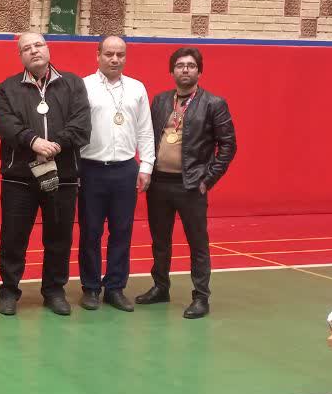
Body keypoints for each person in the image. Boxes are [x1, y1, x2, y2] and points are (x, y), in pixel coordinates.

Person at [0, 32, 90, 316]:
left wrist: (55, 145)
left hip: (63, 175)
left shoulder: (73, 84)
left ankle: (54, 291)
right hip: (19, 178)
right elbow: (6, 125)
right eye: (26, 48)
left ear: (48, 49)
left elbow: (81, 123)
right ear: (20, 56)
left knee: (59, 238)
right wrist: (33, 141)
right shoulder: (6, 88)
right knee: (13, 238)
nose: (33, 51)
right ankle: (9, 292)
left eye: (38, 45)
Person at [136, 46, 237, 319]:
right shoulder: (160, 101)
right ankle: (160, 287)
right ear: (172, 71)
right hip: (159, 184)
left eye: (191, 66)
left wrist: (208, 179)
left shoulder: (213, 103)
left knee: (197, 243)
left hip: (191, 185)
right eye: (180, 65)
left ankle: (201, 297)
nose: (185, 70)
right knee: (160, 240)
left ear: (199, 72)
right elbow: (148, 137)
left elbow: (228, 145)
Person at [76, 36, 154, 312]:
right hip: (90, 168)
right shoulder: (83, 86)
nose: (115, 59)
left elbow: (145, 130)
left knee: (122, 231)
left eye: (120, 54)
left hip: (125, 169)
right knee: (90, 232)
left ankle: (115, 288)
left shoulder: (136, 88)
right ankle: (90, 287)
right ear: (97, 55)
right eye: (109, 54)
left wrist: (146, 166)